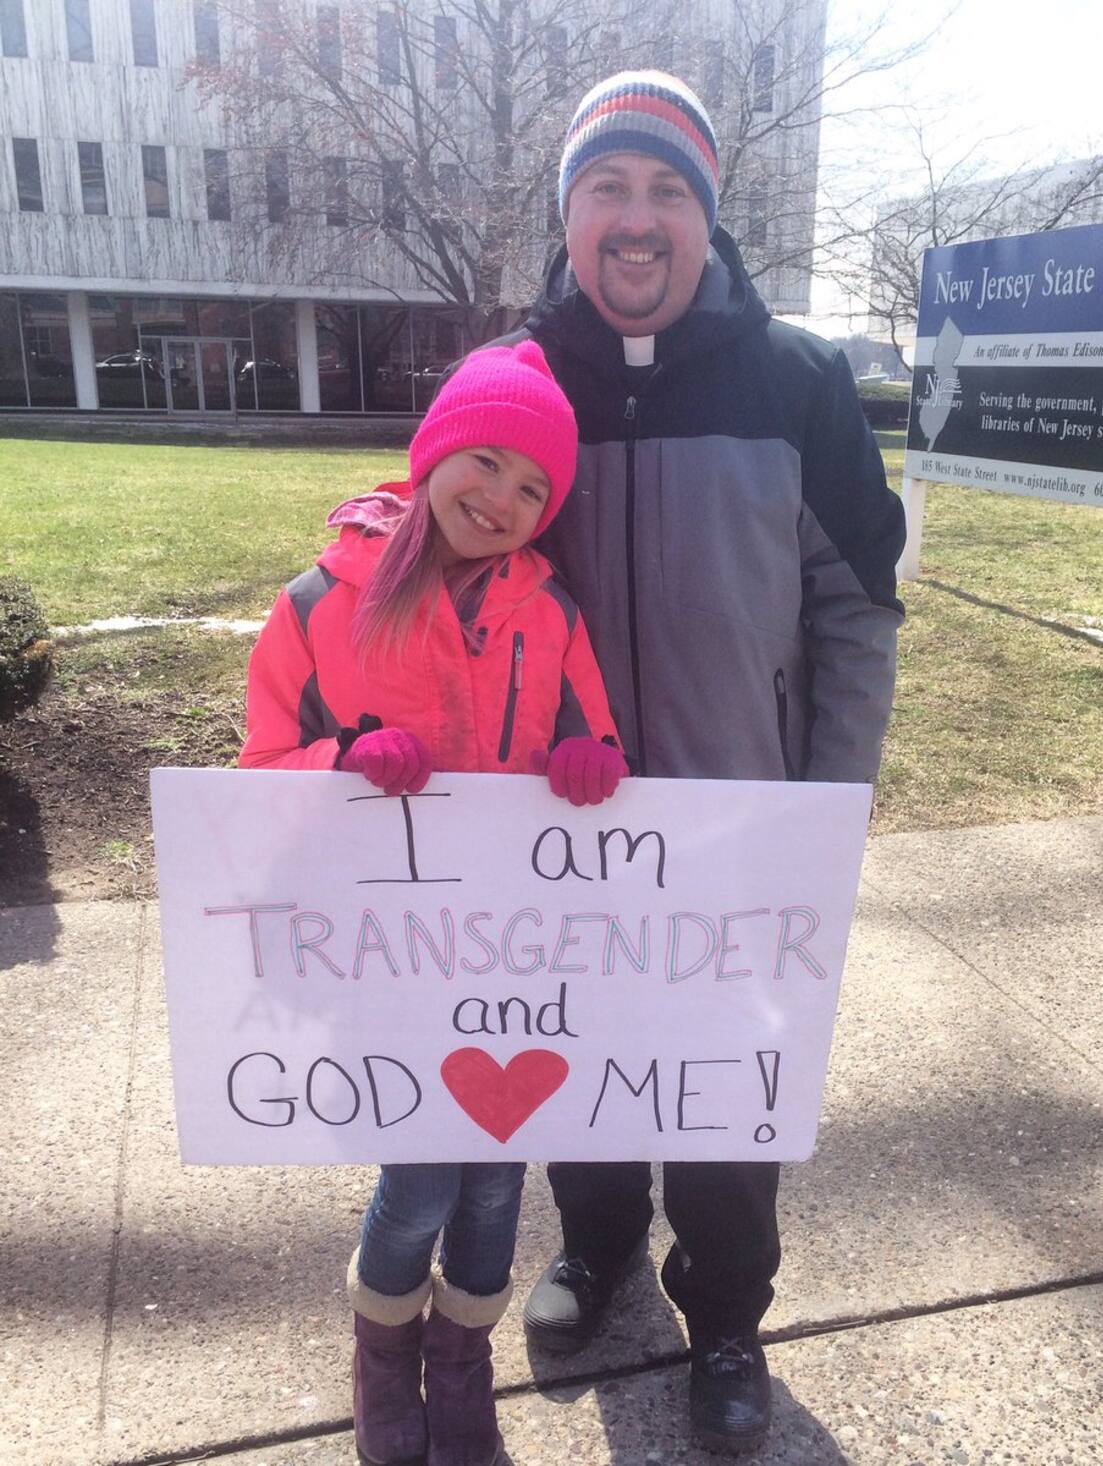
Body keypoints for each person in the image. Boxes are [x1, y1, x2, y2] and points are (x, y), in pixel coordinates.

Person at [499, 72, 908, 1454]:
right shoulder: (520, 375)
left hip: (743, 835)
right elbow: (442, 575)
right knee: (584, 1059)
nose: (637, 215)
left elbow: (858, 603)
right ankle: (599, 1241)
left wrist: (827, 813)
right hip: (554, 830)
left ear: (708, 217)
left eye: (668, 188)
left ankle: (727, 1313)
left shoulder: (796, 380)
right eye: (607, 186)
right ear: (569, 215)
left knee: (731, 1096)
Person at [238, 340, 627, 1466]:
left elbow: (590, 729)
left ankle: (463, 1367)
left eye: (533, 487)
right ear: (435, 452)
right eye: (487, 462)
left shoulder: (549, 609)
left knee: (500, 1174)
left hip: (508, 951)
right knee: (416, 1178)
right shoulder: (318, 604)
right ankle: (383, 1362)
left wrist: (590, 763)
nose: (502, 499)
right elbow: (261, 766)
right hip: (383, 955)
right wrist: (346, 760)